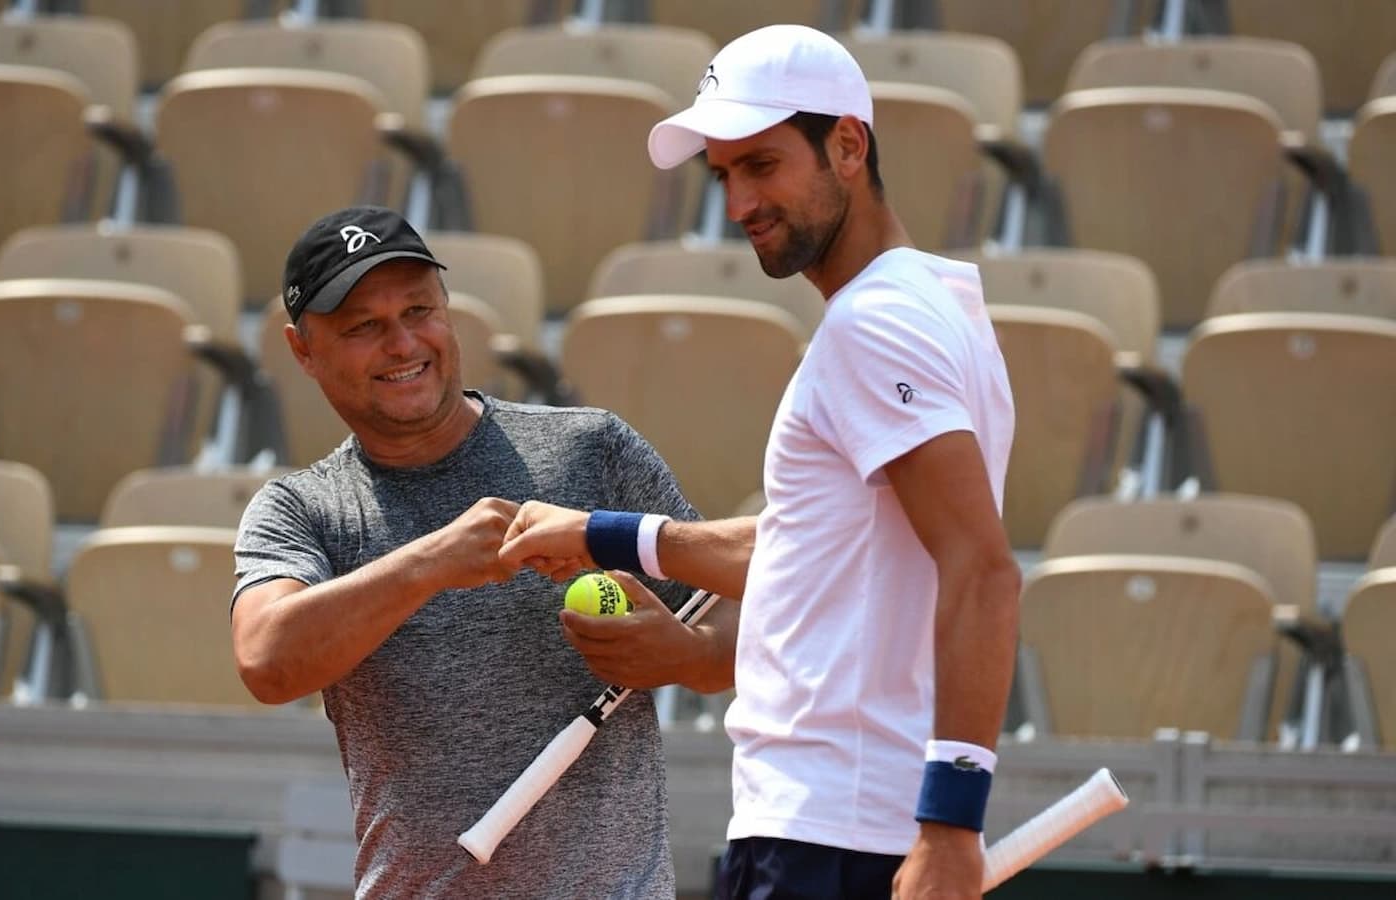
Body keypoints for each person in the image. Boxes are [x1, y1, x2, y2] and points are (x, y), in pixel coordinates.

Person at [497, 25, 1020, 900]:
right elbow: (817, 549)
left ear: (848, 145)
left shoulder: (873, 327)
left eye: (763, 165)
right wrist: (604, 536)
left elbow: (984, 569)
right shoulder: (930, 308)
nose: (739, 202)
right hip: (834, 826)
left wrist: (952, 825)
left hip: (833, 834)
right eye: (723, 174)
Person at [228, 206, 738, 898]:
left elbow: (743, 609)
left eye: (419, 310)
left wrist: (688, 654)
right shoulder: (301, 509)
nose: (404, 343)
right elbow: (266, 660)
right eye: (364, 328)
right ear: (302, 350)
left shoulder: (592, 448)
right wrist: (433, 561)